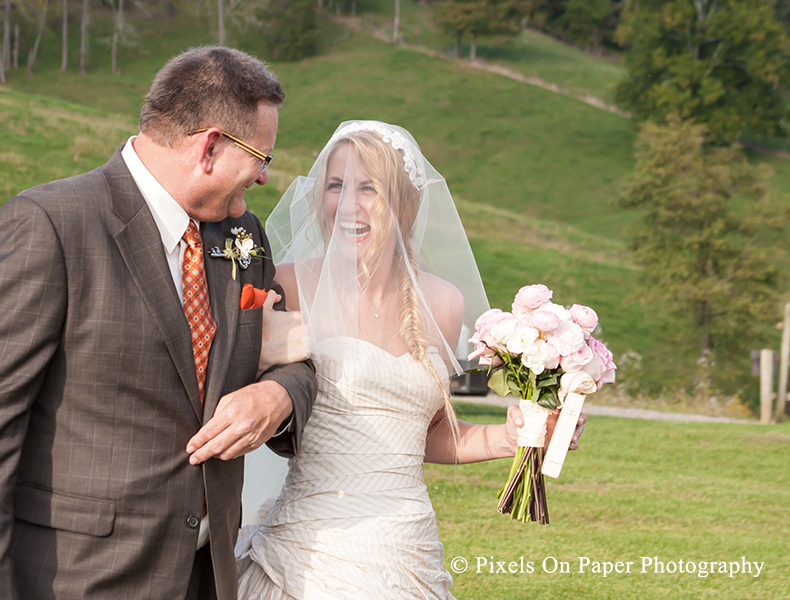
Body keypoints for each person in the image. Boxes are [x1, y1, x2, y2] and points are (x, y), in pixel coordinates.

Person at [0, 47, 317, 600]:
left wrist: (277, 396)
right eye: (261, 159)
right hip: (82, 577)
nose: (261, 179)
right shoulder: (51, 225)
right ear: (208, 147)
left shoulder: (243, 236)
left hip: (209, 575)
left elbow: (293, 356)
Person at [235, 121, 587, 599]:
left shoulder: (442, 302)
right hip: (310, 551)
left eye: (369, 189)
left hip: (408, 547)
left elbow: (431, 435)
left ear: (404, 204)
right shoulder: (288, 284)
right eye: (336, 186)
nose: (347, 206)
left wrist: (512, 437)